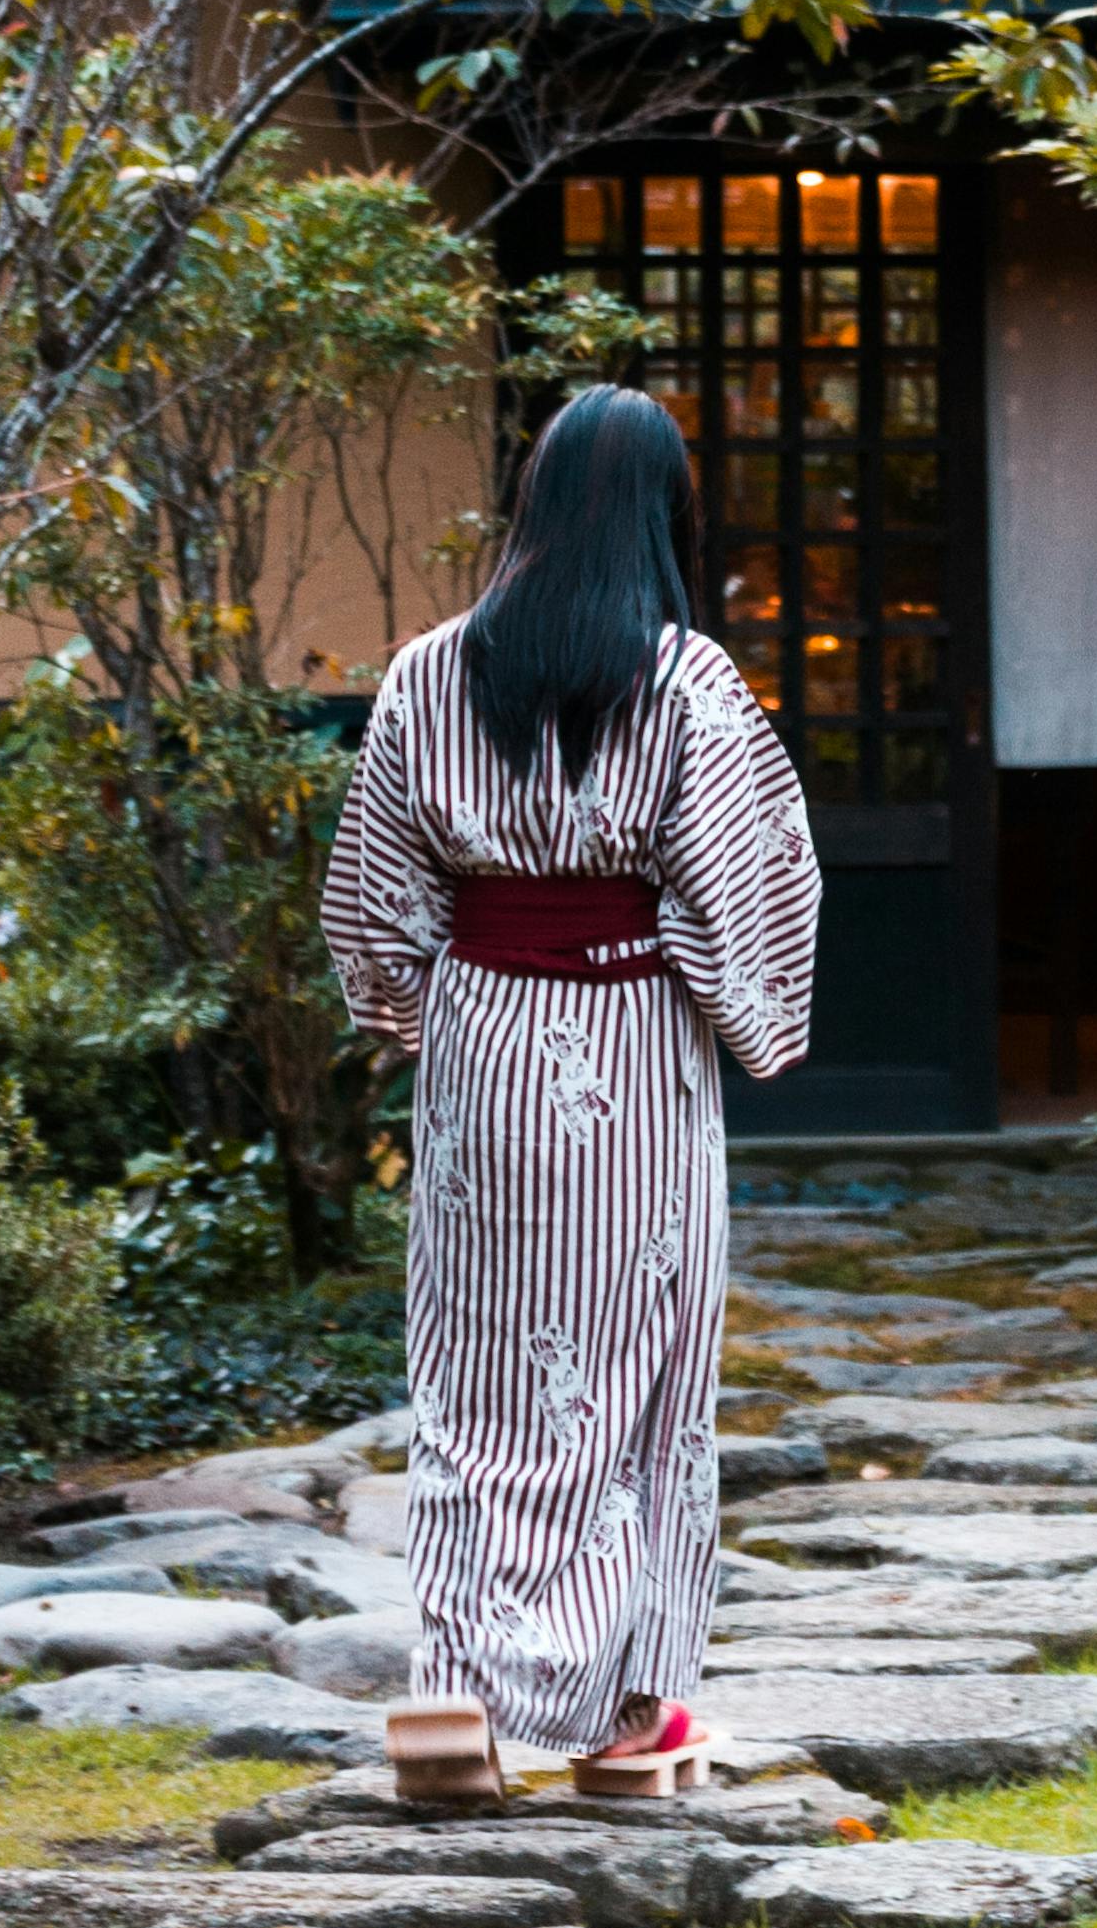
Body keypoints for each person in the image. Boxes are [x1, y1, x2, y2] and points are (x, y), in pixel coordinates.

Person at [319, 383, 818, 1801]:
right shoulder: (685, 681)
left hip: (484, 1044)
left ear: (534, 502)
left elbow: (369, 896)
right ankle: (622, 1721)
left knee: (477, 1380)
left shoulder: (426, 671)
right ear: (666, 510)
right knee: (638, 1377)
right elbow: (752, 874)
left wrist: (425, 1013)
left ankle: (455, 1702)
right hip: (632, 1051)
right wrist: (749, 1008)